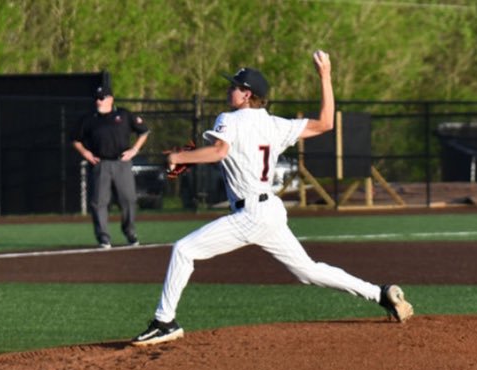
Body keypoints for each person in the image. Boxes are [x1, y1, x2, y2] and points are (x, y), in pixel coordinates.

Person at [130, 51, 414, 347]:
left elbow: (219, 152)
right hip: (270, 211)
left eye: (234, 86)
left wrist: (179, 156)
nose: (229, 90)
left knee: (184, 250)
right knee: (308, 271)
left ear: (247, 94)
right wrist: (325, 76)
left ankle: (164, 321)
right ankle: (379, 293)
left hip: (251, 213)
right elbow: (326, 123)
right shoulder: (276, 125)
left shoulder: (229, 118)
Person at [72, 84, 150, 248]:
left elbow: (144, 131)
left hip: (122, 162)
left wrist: (134, 150)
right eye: (96, 98)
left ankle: (130, 232)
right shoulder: (89, 119)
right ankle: (103, 237)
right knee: (99, 202)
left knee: (128, 199)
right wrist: (85, 153)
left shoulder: (123, 114)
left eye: (102, 98)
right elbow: (76, 140)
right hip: (101, 164)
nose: (98, 101)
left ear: (110, 99)